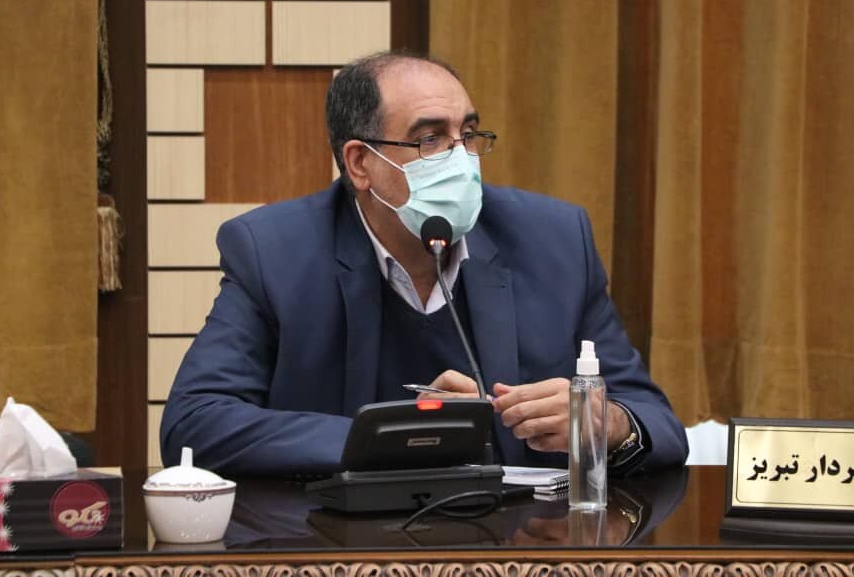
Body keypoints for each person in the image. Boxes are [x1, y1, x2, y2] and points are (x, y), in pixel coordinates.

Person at [160, 51, 688, 475]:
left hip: (518, 543)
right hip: (337, 546)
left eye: (469, 134)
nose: (461, 158)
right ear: (360, 163)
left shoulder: (552, 241)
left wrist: (609, 424)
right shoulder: (276, 252)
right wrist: (393, 436)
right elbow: (196, 424)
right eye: (430, 139)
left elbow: (659, 425)